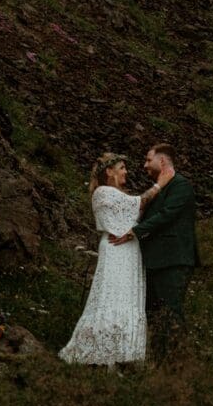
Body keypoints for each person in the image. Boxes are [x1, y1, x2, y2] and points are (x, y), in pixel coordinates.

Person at [59, 152, 169, 367]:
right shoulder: (103, 192)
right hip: (116, 250)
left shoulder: (118, 195)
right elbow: (141, 202)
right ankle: (102, 354)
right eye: (121, 167)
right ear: (109, 172)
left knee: (126, 296)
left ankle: (121, 355)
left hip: (128, 249)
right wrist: (160, 184)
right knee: (112, 295)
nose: (126, 171)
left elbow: (136, 209)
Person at [109, 143, 199, 360]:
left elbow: (167, 214)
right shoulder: (159, 187)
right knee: (154, 315)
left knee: (171, 312)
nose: (144, 165)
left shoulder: (181, 185)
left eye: (149, 160)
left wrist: (135, 232)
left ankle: (181, 363)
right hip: (154, 262)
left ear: (163, 161)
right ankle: (160, 363)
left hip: (173, 261)